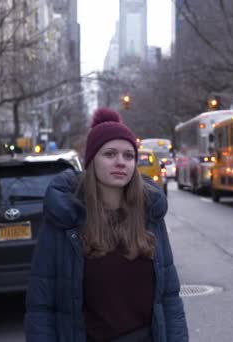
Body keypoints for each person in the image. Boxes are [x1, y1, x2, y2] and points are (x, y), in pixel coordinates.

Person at [24, 108, 188, 342]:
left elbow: (170, 298)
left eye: (129, 156)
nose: (121, 162)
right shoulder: (66, 218)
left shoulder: (149, 214)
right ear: (92, 160)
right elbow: (41, 307)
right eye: (110, 154)